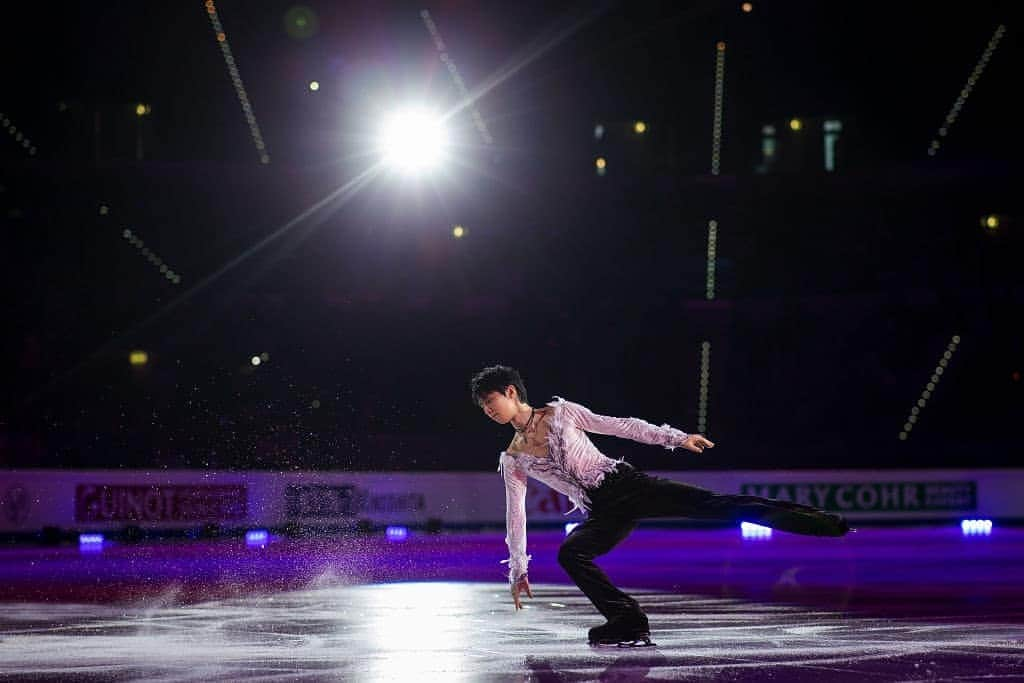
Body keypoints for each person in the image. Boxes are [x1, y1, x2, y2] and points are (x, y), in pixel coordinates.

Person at [470, 364, 849, 647]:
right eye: (484, 409)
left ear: (511, 392)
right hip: (601, 509)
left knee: (716, 505)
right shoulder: (513, 458)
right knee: (572, 553)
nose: (488, 411)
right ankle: (628, 620)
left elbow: (622, 426)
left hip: (628, 484)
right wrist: (517, 568)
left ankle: (817, 522)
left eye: (490, 402)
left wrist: (677, 438)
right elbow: (514, 513)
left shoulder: (562, 413)